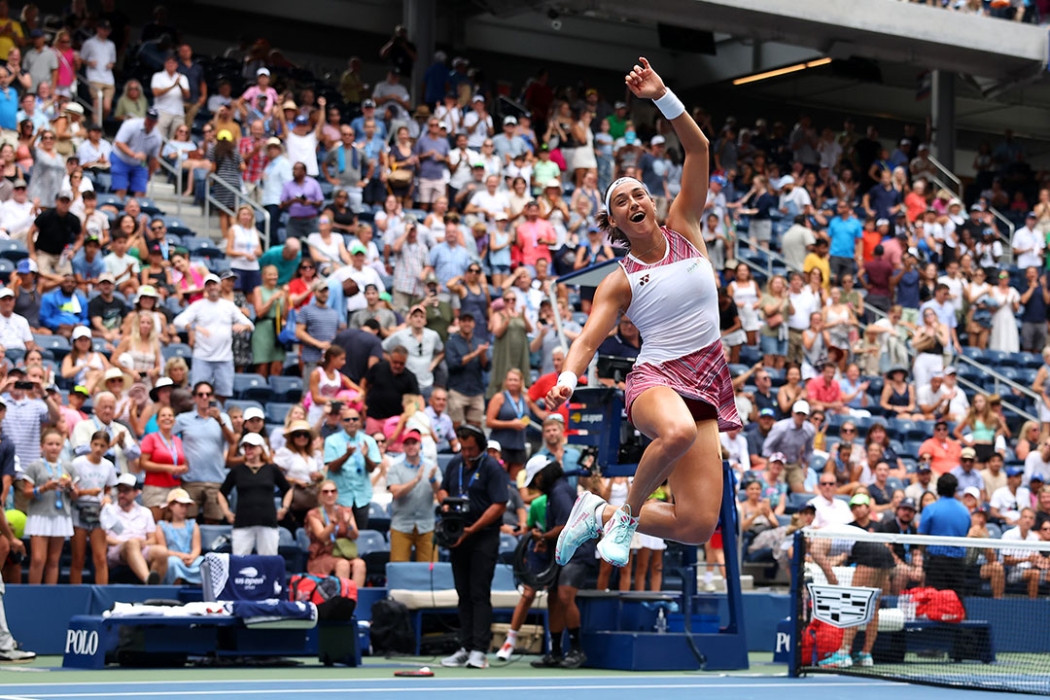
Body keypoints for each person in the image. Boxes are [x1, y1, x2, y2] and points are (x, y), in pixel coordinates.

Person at [438, 424, 509, 669]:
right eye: (463, 447)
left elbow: (499, 504)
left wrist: (473, 528)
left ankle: (479, 650)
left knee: (479, 593)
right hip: (458, 534)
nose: (467, 453)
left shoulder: (491, 467)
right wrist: (445, 505)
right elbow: (443, 488)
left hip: (483, 536)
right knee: (463, 593)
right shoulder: (455, 463)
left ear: (480, 446)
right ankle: (465, 646)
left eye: (471, 448)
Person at [524, 455, 593, 669]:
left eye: (535, 480)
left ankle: (576, 650)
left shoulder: (560, 491)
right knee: (553, 598)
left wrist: (543, 537)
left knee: (564, 596)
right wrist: (547, 541)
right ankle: (554, 651)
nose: (535, 485)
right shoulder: (555, 493)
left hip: (577, 551)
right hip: (563, 551)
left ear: (542, 475)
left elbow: (565, 526)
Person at [173, 274, 254, 401]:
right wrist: (195, 327)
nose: (212, 287)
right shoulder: (198, 305)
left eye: (214, 284)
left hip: (224, 357)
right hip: (202, 357)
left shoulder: (229, 306)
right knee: (199, 391)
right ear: (205, 288)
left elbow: (249, 324)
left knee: (224, 392)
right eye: (208, 285)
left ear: (219, 286)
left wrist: (243, 327)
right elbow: (178, 320)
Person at [174, 381, 237, 523]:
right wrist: (179, 458)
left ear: (212, 397)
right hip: (191, 480)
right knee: (188, 521)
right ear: (194, 398)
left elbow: (232, 441)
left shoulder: (224, 418)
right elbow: (167, 438)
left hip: (215, 479)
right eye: (200, 394)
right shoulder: (183, 419)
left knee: (214, 522)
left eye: (208, 394)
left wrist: (220, 420)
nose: (204, 397)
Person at [219, 433, 291, 555]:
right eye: (246, 447)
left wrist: (284, 508)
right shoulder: (237, 470)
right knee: (240, 559)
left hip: (267, 520)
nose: (248, 450)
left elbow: (288, 489)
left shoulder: (271, 469)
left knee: (268, 558)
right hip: (243, 521)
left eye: (251, 446)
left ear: (260, 448)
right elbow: (221, 492)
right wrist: (227, 512)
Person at [21, 427, 73, 584]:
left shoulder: (68, 467)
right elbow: (26, 493)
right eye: (50, 444)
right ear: (42, 446)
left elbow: (75, 495)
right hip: (39, 514)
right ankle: (33, 594)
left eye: (57, 444)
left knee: (53, 561)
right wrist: (44, 488)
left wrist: (70, 486)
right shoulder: (34, 466)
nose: (54, 447)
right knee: (38, 559)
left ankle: (49, 595)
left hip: (61, 515)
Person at [68, 430, 117, 585]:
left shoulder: (108, 466)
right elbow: (72, 490)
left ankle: (102, 591)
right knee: (78, 558)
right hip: (79, 509)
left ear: (107, 448)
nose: (98, 449)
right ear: (90, 444)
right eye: (95, 444)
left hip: (98, 512)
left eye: (102, 446)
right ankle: (75, 591)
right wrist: (88, 492)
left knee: (100, 557)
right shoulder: (78, 463)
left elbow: (110, 488)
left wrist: (108, 496)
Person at [100, 473, 168, 584]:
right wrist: (126, 542)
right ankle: (148, 580)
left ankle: (154, 587)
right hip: (117, 550)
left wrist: (143, 543)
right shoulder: (109, 511)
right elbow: (104, 538)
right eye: (120, 491)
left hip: (142, 548)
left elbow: (152, 539)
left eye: (126, 491)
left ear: (136, 492)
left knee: (162, 552)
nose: (122, 495)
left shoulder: (145, 512)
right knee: (132, 544)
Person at [323, 406, 381, 530]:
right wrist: (347, 455)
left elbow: (372, 468)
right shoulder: (331, 441)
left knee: (360, 533)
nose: (351, 422)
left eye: (355, 419)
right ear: (341, 422)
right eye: (347, 419)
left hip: (362, 495)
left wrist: (366, 457)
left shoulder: (369, 441)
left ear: (360, 421)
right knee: (340, 533)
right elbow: (332, 467)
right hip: (340, 496)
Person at [387, 429, 440, 562]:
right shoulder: (395, 468)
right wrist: (415, 480)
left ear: (420, 445)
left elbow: (440, 493)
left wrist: (433, 480)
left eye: (414, 443)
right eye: (407, 444)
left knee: (430, 570)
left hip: (426, 524)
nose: (411, 446)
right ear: (403, 447)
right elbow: (396, 492)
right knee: (398, 567)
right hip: (401, 525)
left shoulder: (431, 466)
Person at [917, 472, 970, 600]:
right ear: (954, 489)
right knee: (957, 601)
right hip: (958, 564)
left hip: (937, 564)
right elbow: (965, 532)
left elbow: (921, 537)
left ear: (938, 489)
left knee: (935, 601)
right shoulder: (965, 511)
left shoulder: (930, 509)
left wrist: (922, 557)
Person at [305, 479, 366, 586]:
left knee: (360, 564)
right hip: (323, 554)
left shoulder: (345, 511)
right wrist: (334, 524)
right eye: (326, 491)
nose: (330, 494)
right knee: (343, 564)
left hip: (344, 552)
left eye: (333, 491)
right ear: (319, 495)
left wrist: (348, 525)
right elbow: (322, 537)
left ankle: (355, 598)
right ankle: (341, 600)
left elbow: (355, 536)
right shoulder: (313, 514)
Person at [154, 488, 203, 585]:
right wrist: (180, 556)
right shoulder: (161, 526)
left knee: (204, 562)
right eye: (181, 505)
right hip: (173, 557)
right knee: (173, 562)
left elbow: (197, 547)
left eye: (186, 506)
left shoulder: (193, 524)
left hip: (191, 559)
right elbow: (163, 550)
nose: (184, 509)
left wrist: (192, 557)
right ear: (171, 506)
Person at [111, 108, 162, 198]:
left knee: (141, 191)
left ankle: (136, 209)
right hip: (120, 158)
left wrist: (149, 175)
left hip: (139, 164)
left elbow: (154, 158)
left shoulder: (157, 137)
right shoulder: (131, 124)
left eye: (152, 121)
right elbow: (119, 143)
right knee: (121, 189)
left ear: (156, 122)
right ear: (145, 118)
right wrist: (134, 154)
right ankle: (118, 208)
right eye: (149, 119)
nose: (150, 122)